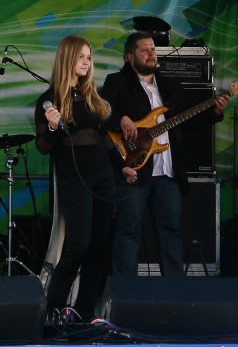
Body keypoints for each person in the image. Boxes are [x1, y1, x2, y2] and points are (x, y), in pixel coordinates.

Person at [100, 31, 229, 277]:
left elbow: (186, 123)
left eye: (153, 49)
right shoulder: (117, 82)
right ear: (130, 56)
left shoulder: (170, 86)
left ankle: (173, 290)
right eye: (144, 50)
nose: (151, 53)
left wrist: (214, 112)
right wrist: (121, 119)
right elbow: (101, 114)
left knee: (171, 232)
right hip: (134, 168)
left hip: (168, 173)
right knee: (128, 232)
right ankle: (125, 290)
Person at [34, 35, 136, 323]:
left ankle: (85, 311)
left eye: (89, 57)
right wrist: (52, 127)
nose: (87, 62)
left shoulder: (91, 96)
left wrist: (121, 167)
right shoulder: (49, 100)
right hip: (74, 174)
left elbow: (103, 137)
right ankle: (52, 309)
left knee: (100, 245)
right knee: (79, 244)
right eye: (81, 56)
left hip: (102, 173)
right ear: (67, 58)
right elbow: (43, 146)